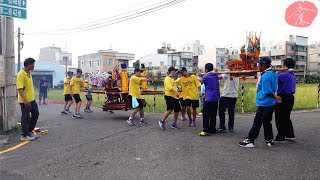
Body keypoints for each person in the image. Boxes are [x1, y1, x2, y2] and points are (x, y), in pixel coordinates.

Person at [238, 57, 282, 147]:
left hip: (264, 103)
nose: (257, 66)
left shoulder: (265, 76)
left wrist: (275, 97)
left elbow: (267, 91)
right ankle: (269, 140)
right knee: (267, 122)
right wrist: (275, 98)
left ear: (263, 65)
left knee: (257, 122)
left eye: (259, 64)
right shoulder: (273, 73)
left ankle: (250, 140)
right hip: (270, 103)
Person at [16, 58, 39, 141]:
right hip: (24, 101)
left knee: (35, 114)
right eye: (33, 64)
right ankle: (24, 135)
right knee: (26, 117)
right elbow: (19, 89)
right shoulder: (20, 74)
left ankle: (29, 131)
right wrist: (25, 100)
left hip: (32, 99)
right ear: (29, 65)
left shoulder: (29, 73)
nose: (34, 66)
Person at [274, 58, 296, 142]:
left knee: (280, 118)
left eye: (283, 64)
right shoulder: (292, 74)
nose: (282, 65)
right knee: (286, 117)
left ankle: (280, 137)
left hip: (283, 97)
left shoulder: (283, 75)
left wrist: (278, 72)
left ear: (285, 65)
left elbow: (274, 78)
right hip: (290, 98)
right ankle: (290, 135)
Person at [199, 63, 220, 136]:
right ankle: (212, 129)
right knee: (213, 114)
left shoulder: (206, 76)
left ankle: (206, 130)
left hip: (208, 98)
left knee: (206, 115)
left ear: (206, 69)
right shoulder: (216, 75)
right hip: (215, 98)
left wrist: (196, 76)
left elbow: (200, 81)